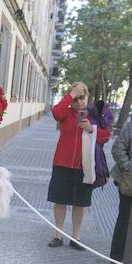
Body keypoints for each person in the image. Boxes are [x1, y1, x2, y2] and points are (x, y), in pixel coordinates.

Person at [47, 82, 110, 249]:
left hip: (84, 167)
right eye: (76, 97)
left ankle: (76, 237)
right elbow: (55, 112)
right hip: (62, 164)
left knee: (80, 203)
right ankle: (58, 235)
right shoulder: (65, 112)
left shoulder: (93, 115)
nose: (79, 101)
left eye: (82, 96)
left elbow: (106, 136)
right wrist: (70, 96)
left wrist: (91, 129)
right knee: (60, 201)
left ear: (87, 97)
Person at [110, 118, 132, 264]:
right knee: (125, 218)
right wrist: (129, 167)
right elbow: (117, 148)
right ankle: (116, 257)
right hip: (128, 181)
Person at [90, 99, 113, 189]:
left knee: (83, 200)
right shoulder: (88, 114)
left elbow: (105, 137)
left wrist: (92, 130)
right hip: (80, 162)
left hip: (93, 162)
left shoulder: (104, 116)